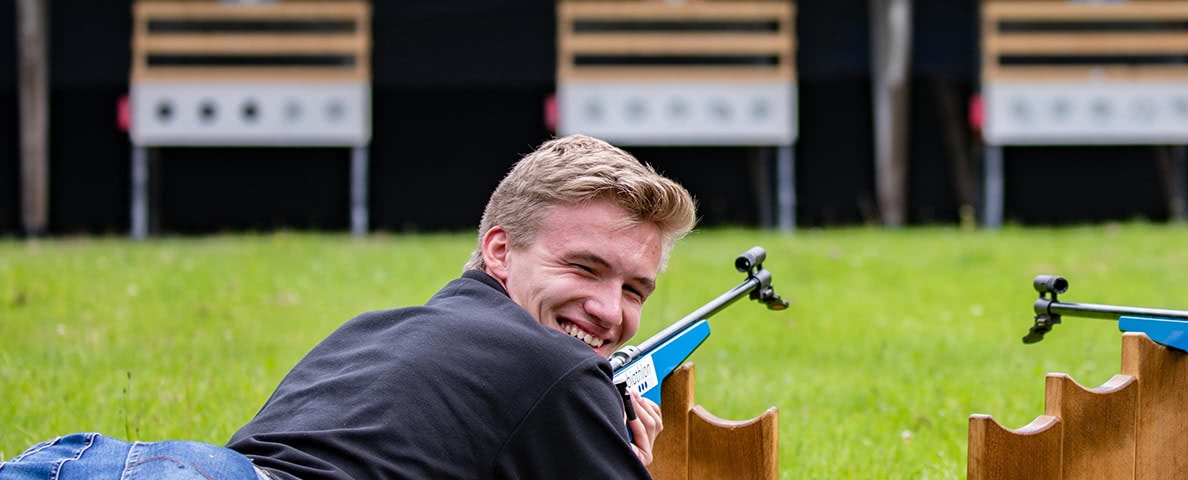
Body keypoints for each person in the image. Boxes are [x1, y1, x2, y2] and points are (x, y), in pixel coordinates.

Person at [3, 134, 694, 479]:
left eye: (635, 290)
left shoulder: (373, 333)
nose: (610, 311)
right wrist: (635, 456)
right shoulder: (559, 369)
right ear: (500, 253)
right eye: (583, 267)